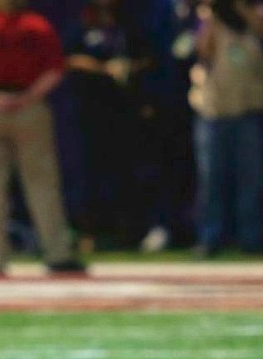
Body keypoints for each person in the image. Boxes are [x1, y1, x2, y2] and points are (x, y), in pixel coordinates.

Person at [0, 0, 84, 277]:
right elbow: (55, 70)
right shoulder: (36, 26)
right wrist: (28, 97)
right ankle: (56, 251)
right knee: (42, 183)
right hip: (28, 107)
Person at [65, 0, 155, 251]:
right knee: (89, 174)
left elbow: (149, 57)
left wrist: (128, 67)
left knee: (125, 174)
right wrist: (104, 68)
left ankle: (128, 233)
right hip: (90, 113)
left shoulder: (128, 26)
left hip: (123, 113)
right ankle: (89, 233)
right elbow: (67, 59)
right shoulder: (82, 26)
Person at [189, 0, 263, 256]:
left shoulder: (253, 17)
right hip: (214, 112)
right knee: (211, 181)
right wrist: (212, 12)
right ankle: (210, 238)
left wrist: (243, 7)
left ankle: (251, 238)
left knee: (251, 181)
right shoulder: (210, 18)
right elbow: (201, 50)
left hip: (249, 111)